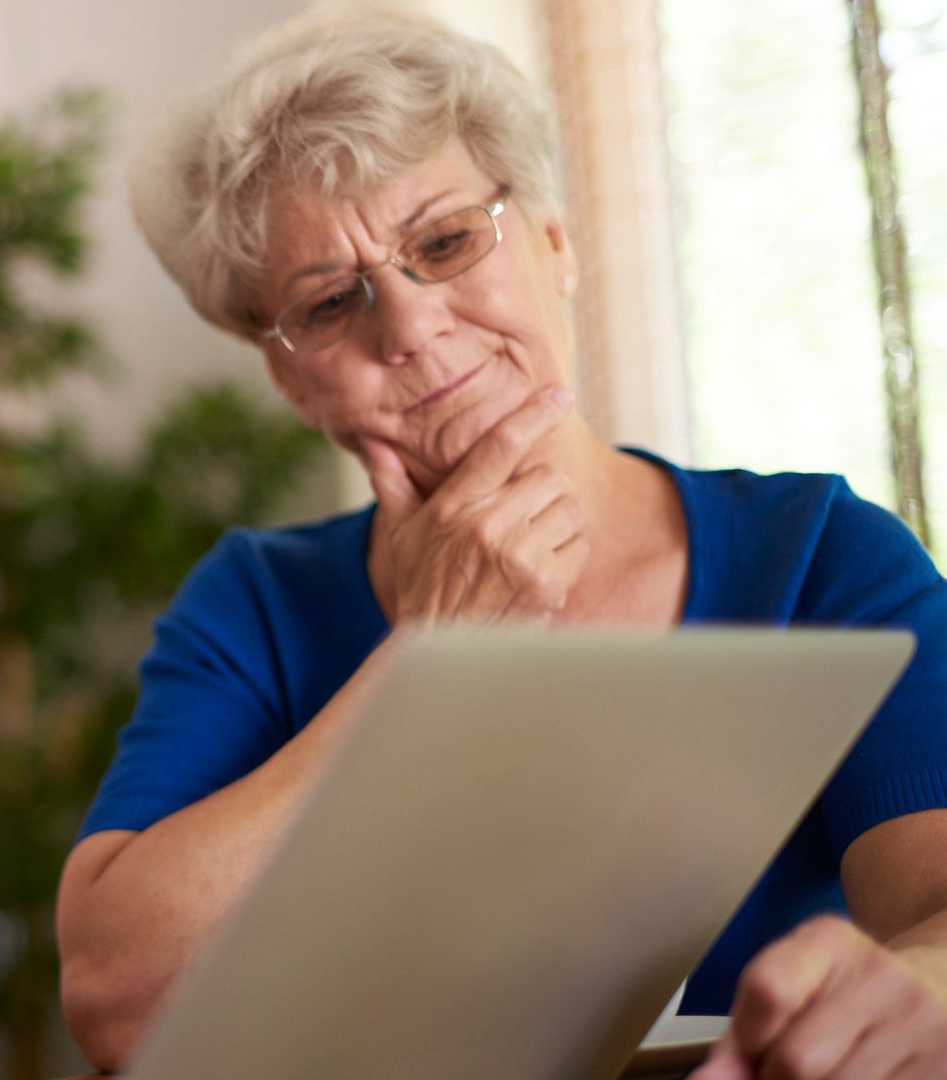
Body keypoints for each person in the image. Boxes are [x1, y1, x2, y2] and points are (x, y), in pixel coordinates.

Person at [55, 7, 947, 1079]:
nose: (413, 326)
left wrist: (913, 992)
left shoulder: (818, 556)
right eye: (334, 301)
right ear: (292, 378)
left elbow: (938, 914)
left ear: (555, 244)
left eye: (443, 241)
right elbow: (117, 1003)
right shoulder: (255, 606)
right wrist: (425, 658)